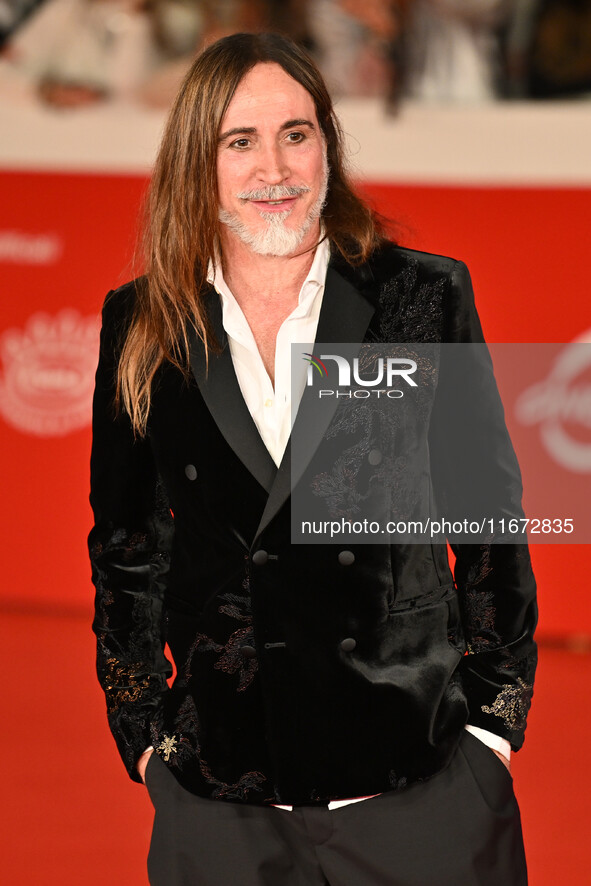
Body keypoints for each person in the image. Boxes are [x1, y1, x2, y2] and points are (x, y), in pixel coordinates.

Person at [88, 32, 538, 886]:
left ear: (327, 142)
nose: (276, 168)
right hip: (221, 794)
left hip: (417, 776)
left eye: (297, 133)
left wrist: (492, 726)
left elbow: (487, 514)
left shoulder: (418, 296)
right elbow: (126, 546)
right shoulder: (144, 324)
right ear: (199, 162)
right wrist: (142, 728)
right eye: (240, 141)